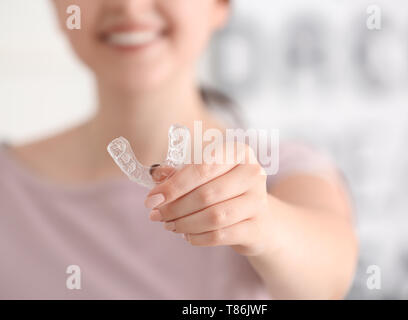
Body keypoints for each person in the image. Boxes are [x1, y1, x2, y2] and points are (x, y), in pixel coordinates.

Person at [0, 0, 357, 299]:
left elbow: (328, 276)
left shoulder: (279, 168)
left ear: (219, 5)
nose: (130, 6)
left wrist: (263, 221)